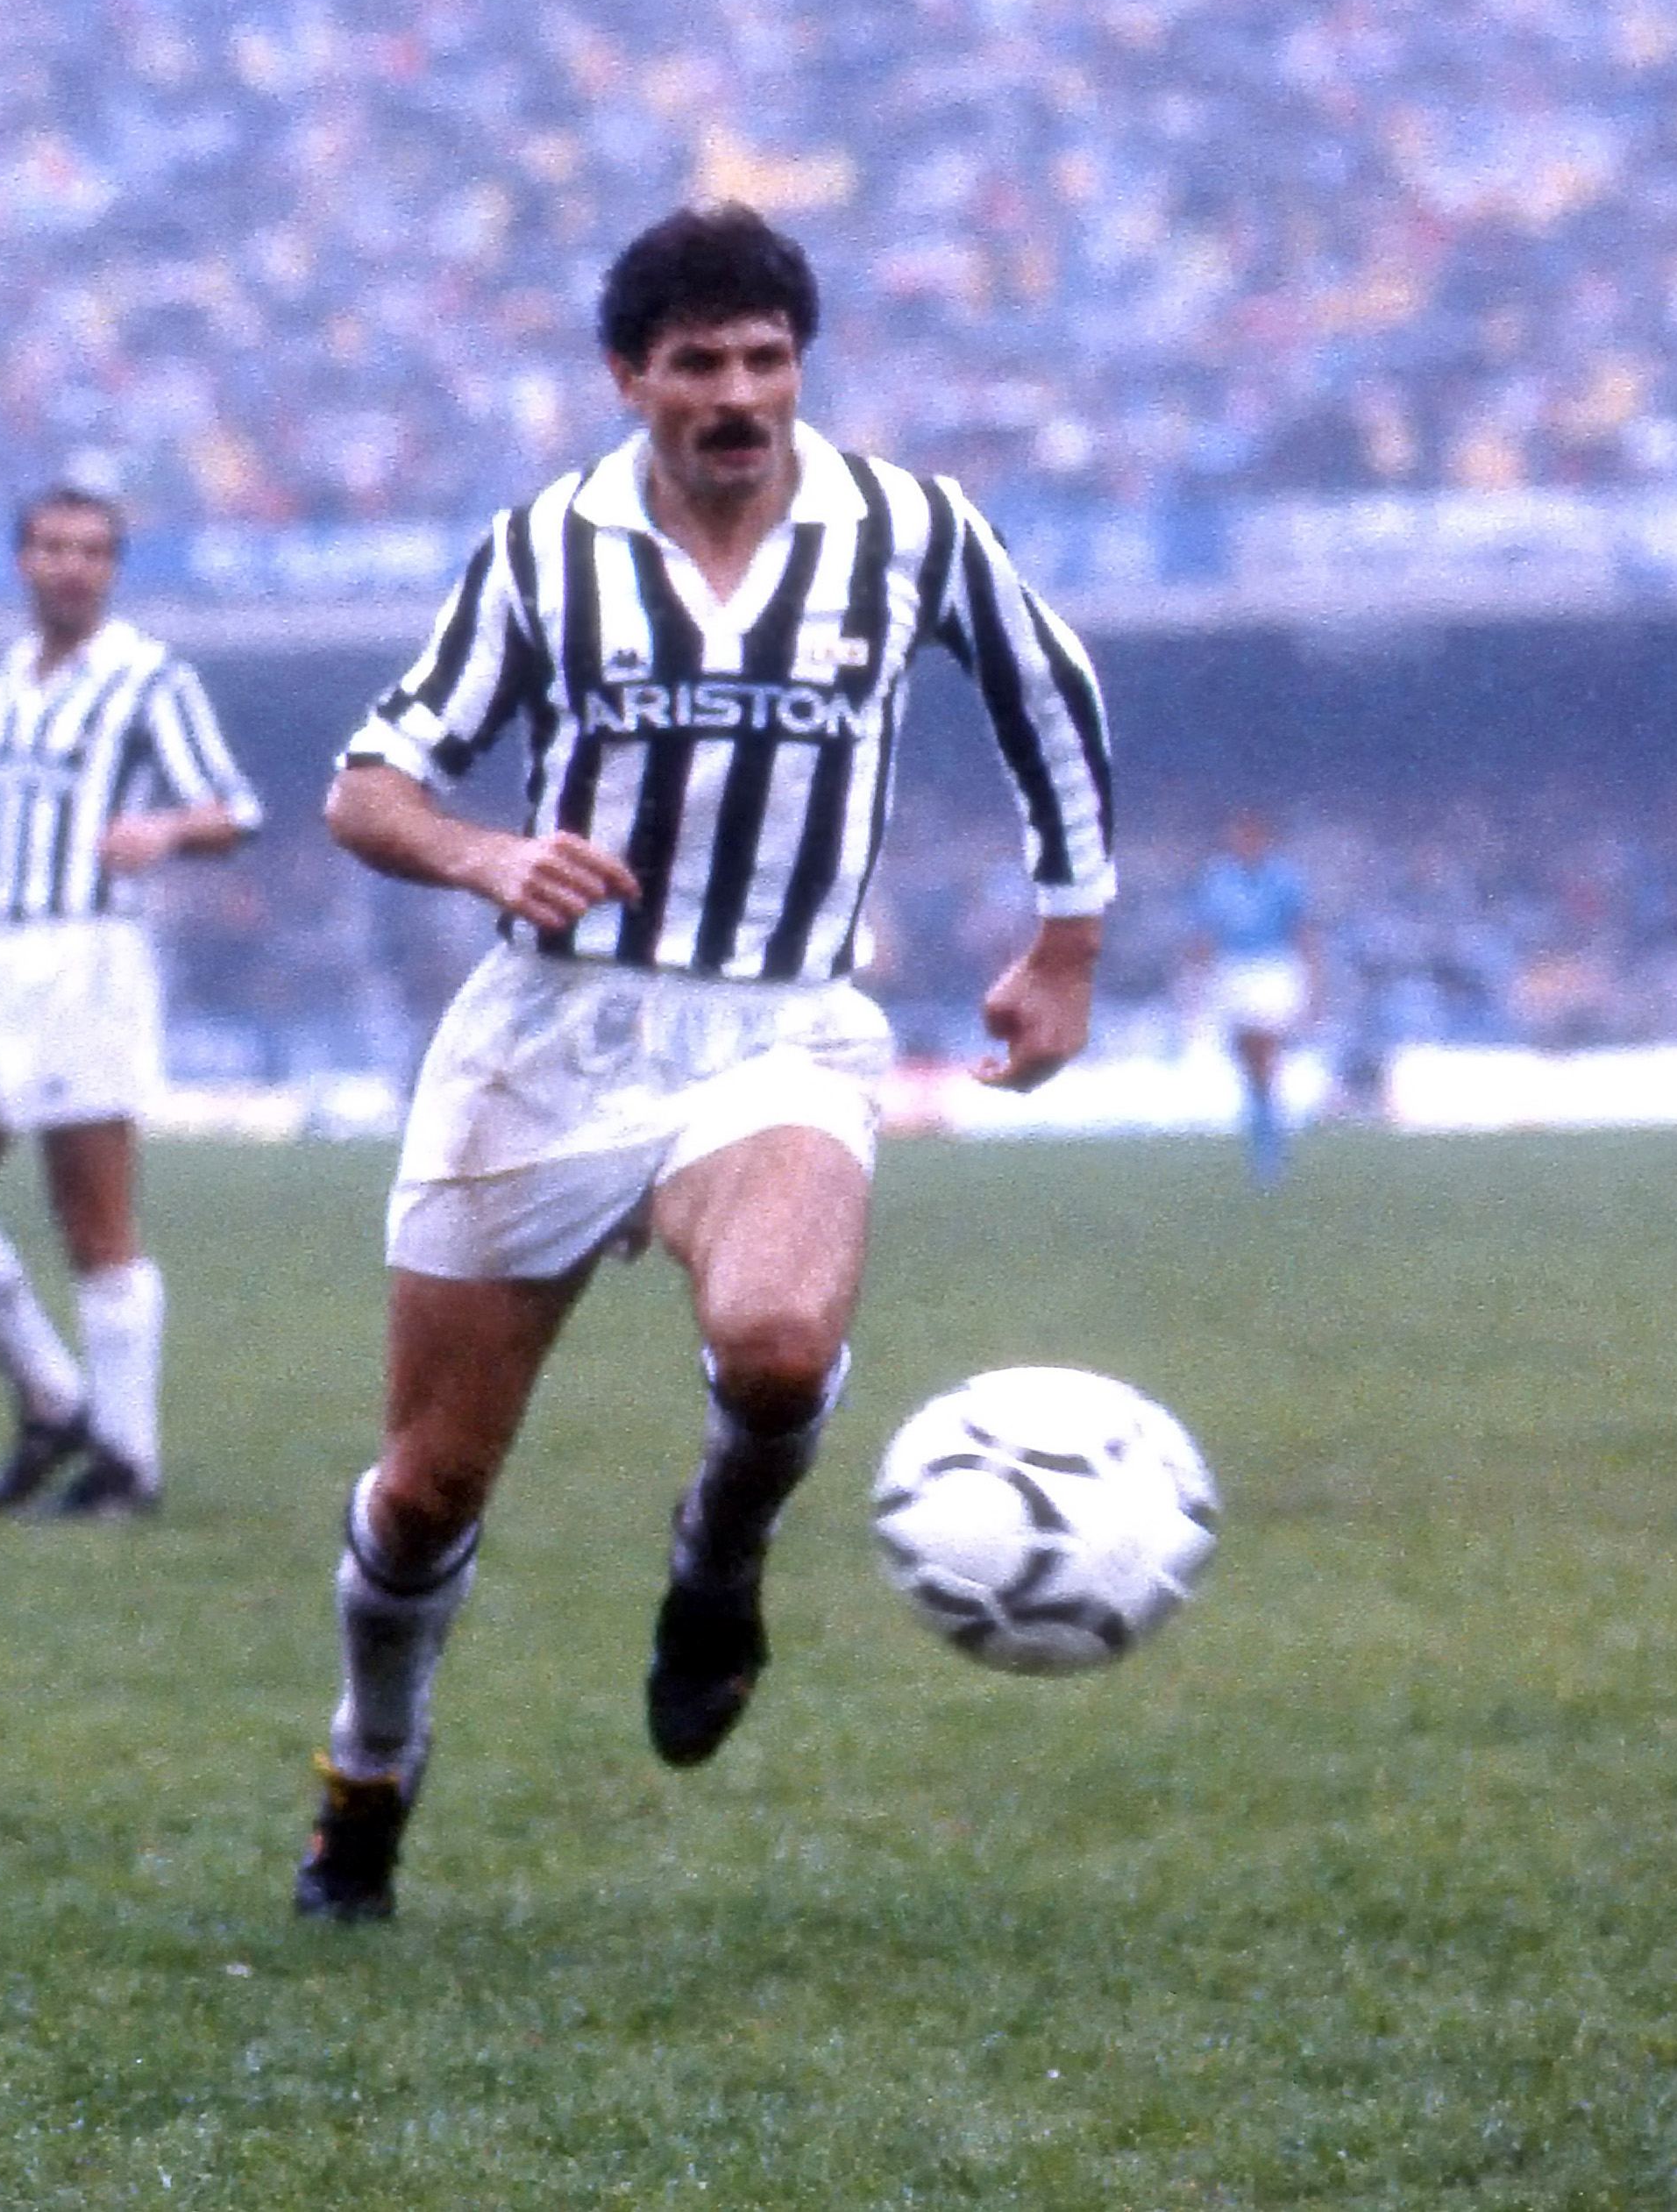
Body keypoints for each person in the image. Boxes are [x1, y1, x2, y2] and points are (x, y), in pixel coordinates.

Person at [291, 203, 1115, 1920]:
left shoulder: (904, 527)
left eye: (766, 358)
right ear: (629, 378)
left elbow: (1049, 691)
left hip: (779, 1025)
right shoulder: (542, 552)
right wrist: (480, 853)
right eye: (699, 363)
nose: (739, 391)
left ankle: (715, 1556)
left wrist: (1065, 938)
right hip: (547, 1036)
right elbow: (368, 781)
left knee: (773, 1336)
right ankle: (365, 1775)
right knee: (430, 1485)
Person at [0, 487, 261, 1519]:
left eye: (92, 550)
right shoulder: (0, 684)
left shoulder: (148, 677)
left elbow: (234, 807)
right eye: (52, 547)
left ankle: (129, 1462)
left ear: (114, 569)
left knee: (94, 1222)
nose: (72, 565)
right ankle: (53, 1398)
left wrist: (165, 831)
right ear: (22, 560)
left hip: (87, 961)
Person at [1191, 810, 1314, 1186]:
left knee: (1264, 1056)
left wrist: (1313, 983)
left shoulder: (1285, 878)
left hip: (1272, 968)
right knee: (1247, 1063)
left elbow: (1304, 932)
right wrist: (1197, 979)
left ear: (1264, 838)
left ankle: (1268, 1153)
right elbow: (1206, 934)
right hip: (1232, 970)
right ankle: (1263, 1139)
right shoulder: (1217, 878)